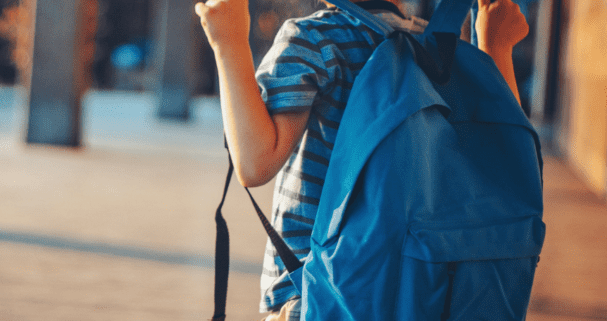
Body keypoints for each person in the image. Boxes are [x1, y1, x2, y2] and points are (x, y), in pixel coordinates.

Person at [194, 0, 529, 319]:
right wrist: (496, 49)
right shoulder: (438, 49)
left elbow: (256, 163)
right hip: (422, 293)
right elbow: (504, 163)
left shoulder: (313, 40)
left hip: (320, 298)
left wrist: (229, 41)